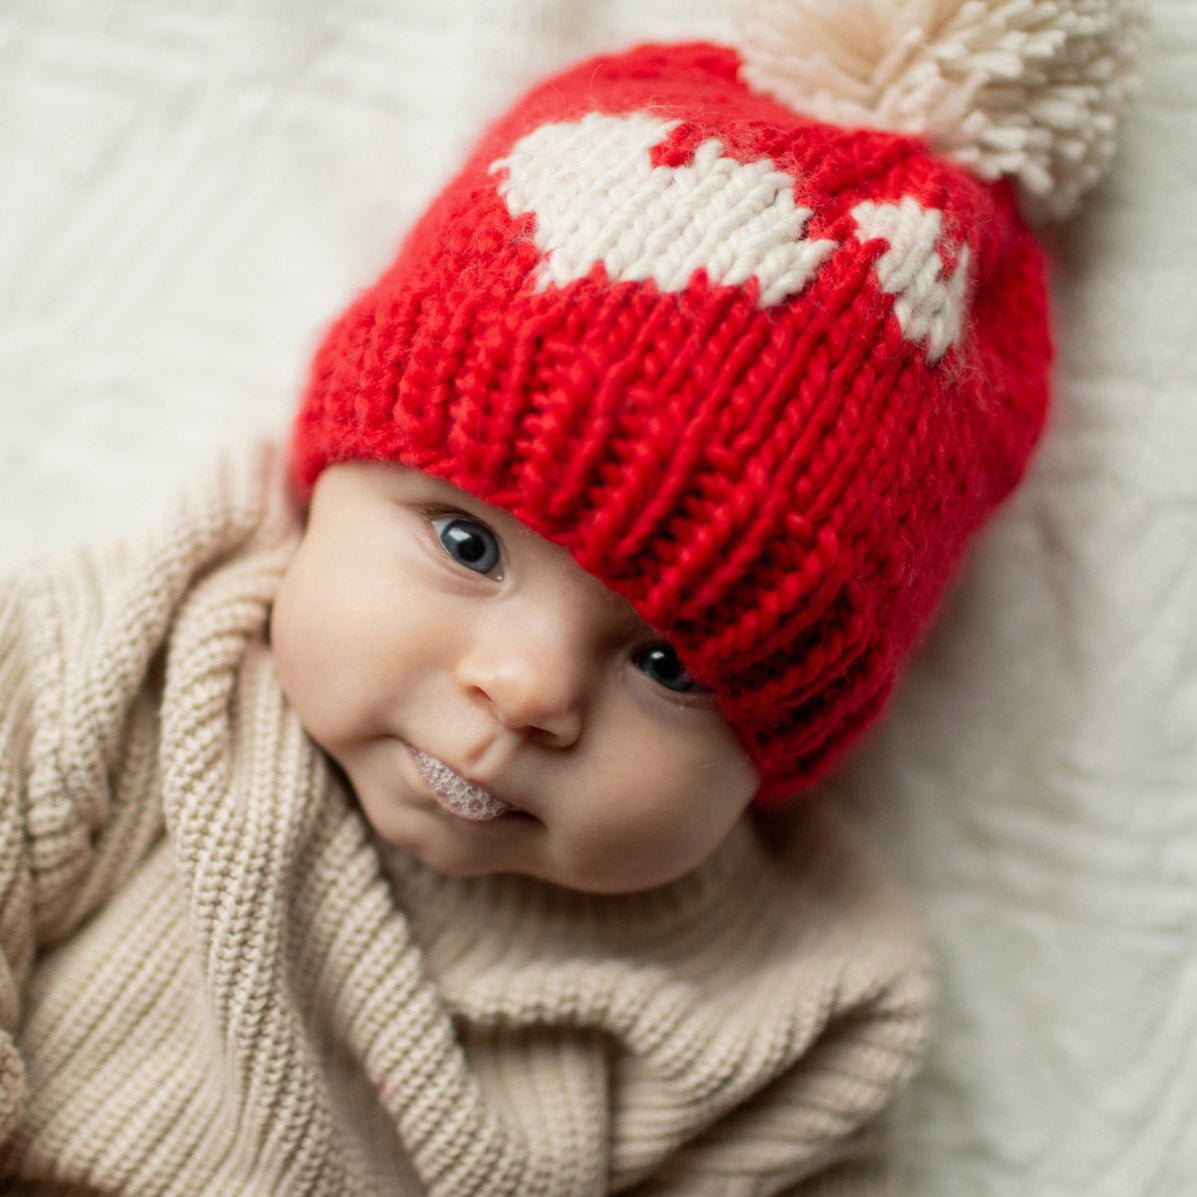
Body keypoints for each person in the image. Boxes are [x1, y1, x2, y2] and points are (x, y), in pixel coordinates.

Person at [0, 1, 1143, 1192]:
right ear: (329, 475)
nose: (528, 688)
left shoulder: (789, 1017)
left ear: (787, 749)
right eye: (466, 544)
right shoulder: (127, 658)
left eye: (671, 666)